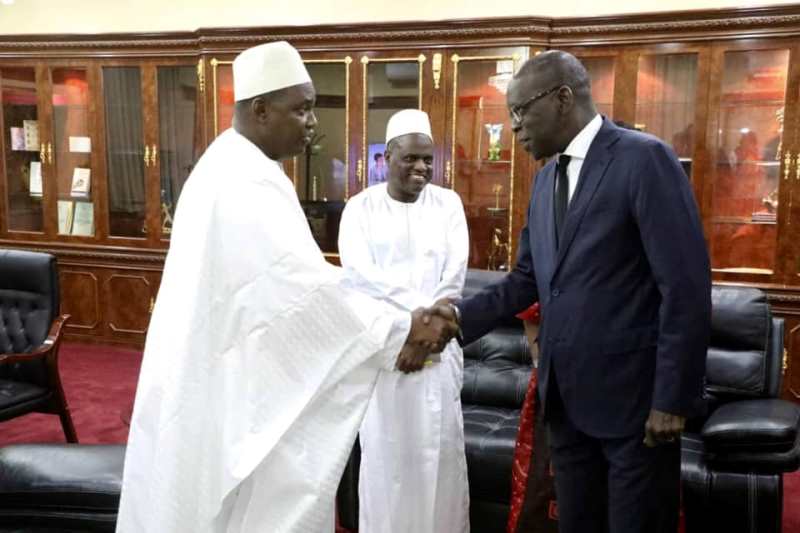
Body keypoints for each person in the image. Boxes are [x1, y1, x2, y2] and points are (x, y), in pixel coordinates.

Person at [116, 41, 457, 533]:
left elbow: (293, 286)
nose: (312, 122)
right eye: (301, 109)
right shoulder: (243, 180)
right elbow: (299, 293)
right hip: (225, 380)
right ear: (260, 110)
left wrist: (400, 325)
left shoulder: (237, 164)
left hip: (227, 368)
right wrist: (399, 328)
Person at [450, 50, 711, 533]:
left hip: (635, 408)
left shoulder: (644, 159)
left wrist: (672, 398)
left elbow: (686, 286)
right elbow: (528, 278)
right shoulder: (546, 178)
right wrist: (455, 319)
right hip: (566, 403)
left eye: (520, 110)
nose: (513, 126)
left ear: (563, 98)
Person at [338, 109, 470, 533]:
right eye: (411, 158)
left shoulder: (448, 204)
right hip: (388, 351)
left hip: (439, 349)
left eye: (428, 160)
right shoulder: (359, 209)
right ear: (386, 157)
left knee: (440, 456)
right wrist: (412, 326)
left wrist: (427, 332)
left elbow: (455, 277)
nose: (421, 168)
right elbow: (362, 278)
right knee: (388, 460)